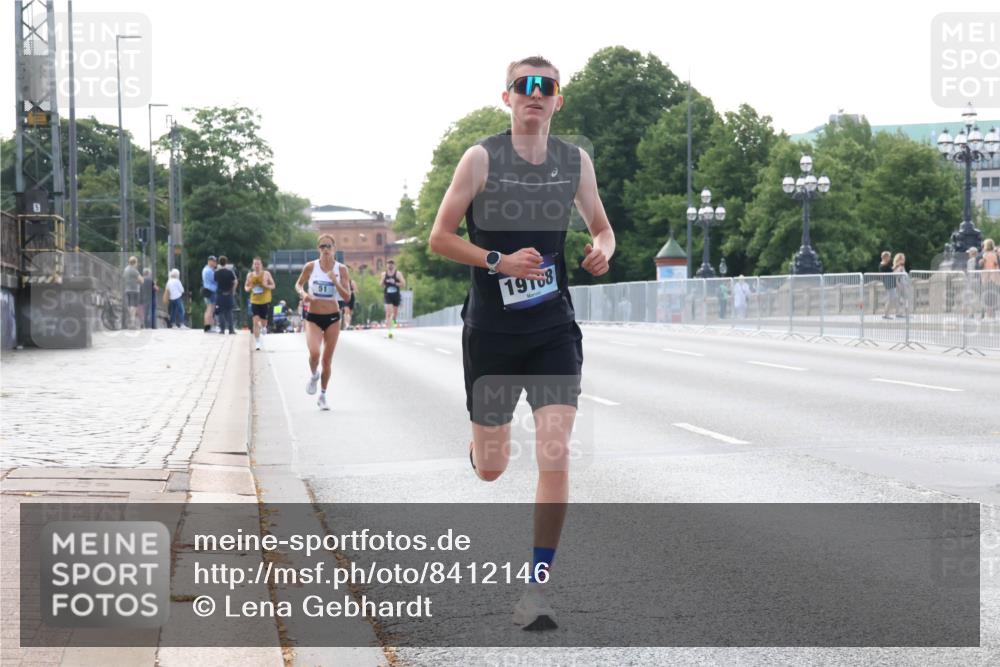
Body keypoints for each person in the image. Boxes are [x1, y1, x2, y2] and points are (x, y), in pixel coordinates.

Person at [428, 55, 615, 631]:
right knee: (492, 468)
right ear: (507, 97)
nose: (535, 94)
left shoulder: (573, 161)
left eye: (546, 86)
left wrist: (602, 249)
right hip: (491, 333)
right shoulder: (481, 158)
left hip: (552, 329)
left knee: (555, 452)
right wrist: (498, 260)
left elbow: (601, 225)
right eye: (523, 86)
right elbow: (439, 237)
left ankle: (536, 589)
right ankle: (481, 446)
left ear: (559, 99)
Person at [295, 234, 350, 410]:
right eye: (322, 247)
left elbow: (347, 296)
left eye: (328, 246)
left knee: (327, 360)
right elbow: (298, 284)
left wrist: (335, 282)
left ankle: (323, 395)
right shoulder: (311, 267)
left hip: (333, 317)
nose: (325, 250)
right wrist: (303, 295)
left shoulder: (341, 270)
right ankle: (313, 375)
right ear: (318, 249)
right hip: (313, 317)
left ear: (334, 248)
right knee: (314, 354)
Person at [245, 257, 276, 350]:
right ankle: (257, 342)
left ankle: (263, 327)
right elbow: (246, 287)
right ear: (252, 265)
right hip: (254, 300)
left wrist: (266, 285)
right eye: (255, 264)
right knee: (255, 321)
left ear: (261, 265)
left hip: (265, 300)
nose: (257, 266)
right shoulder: (250, 275)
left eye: (258, 264)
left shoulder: (266, 274)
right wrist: (249, 288)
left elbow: (273, 286)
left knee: (263, 322)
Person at [380, 259, 406, 337]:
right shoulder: (384, 274)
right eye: (388, 264)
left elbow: (403, 284)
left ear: (394, 265)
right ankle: (389, 331)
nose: (390, 265)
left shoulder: (398, 274)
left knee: (394, 314)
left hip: (396, 295)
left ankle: (394, 321)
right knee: (388, 312)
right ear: (386, 265)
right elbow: (380, 284)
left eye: (391, 264)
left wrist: (395, 283)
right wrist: (384, 281)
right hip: (387, 295)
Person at [213, 256, 238, 335]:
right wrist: (233, 291)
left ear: (219, 263)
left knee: (221, 312)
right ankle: (231, 330)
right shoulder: (230, 272)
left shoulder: (216, 272)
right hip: (229, 294)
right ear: (226, 263)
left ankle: (222, 329)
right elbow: (235, 282)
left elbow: (215, 282)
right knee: (229, 311)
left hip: (220, 295)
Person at [122, 256, 143, 329]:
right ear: (135, 262)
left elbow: (124, 278)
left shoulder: (126, 269)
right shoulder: (134, 270)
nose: (137, 264)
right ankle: (132, 323)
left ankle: (131, 321)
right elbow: (141, 280)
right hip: (134, 290)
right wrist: (137, 281)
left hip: (127, 289)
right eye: (137, 262)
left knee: (130, 306)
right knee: (133, 306)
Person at [981, 239, 999, 318]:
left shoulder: (985, 255)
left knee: (987, 296)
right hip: (995, 278)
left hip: (987, 278)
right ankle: (992, 314)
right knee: (993, 296)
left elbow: (984, 266)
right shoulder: (996, 254)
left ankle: (989, 314)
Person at [201, 256, 218, 332]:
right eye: (214, 262)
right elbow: (215, 280)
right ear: (210, 261)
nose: (215, 263)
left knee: (208, 309)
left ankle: (208, 326)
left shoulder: (205, 269)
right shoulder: (209, 271)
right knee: (210, 310)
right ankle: (208, 327)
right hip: (211, 290)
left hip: (207, 290)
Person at [891, 252, 909, 318]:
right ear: (899, 260)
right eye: (903, 259)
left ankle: (902, 312)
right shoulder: (897, 267)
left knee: (904, 299)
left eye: (904, 259)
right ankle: (899, 313)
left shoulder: (902, 267)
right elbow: (896, 277)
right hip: (899, 286)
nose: (904, 260)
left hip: (904, 285)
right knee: (899, 300)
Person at [878, 250, 896, 319]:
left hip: (890, 282)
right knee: (890, 298)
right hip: (889, 283)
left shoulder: (885, 264)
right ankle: (886, 314)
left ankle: (886, 314)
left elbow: (891, 270)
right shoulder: (883, 265)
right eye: (889, 257)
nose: (890, 258)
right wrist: (896, 265)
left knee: (891, 298)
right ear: (885, 257)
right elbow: (890, 270)